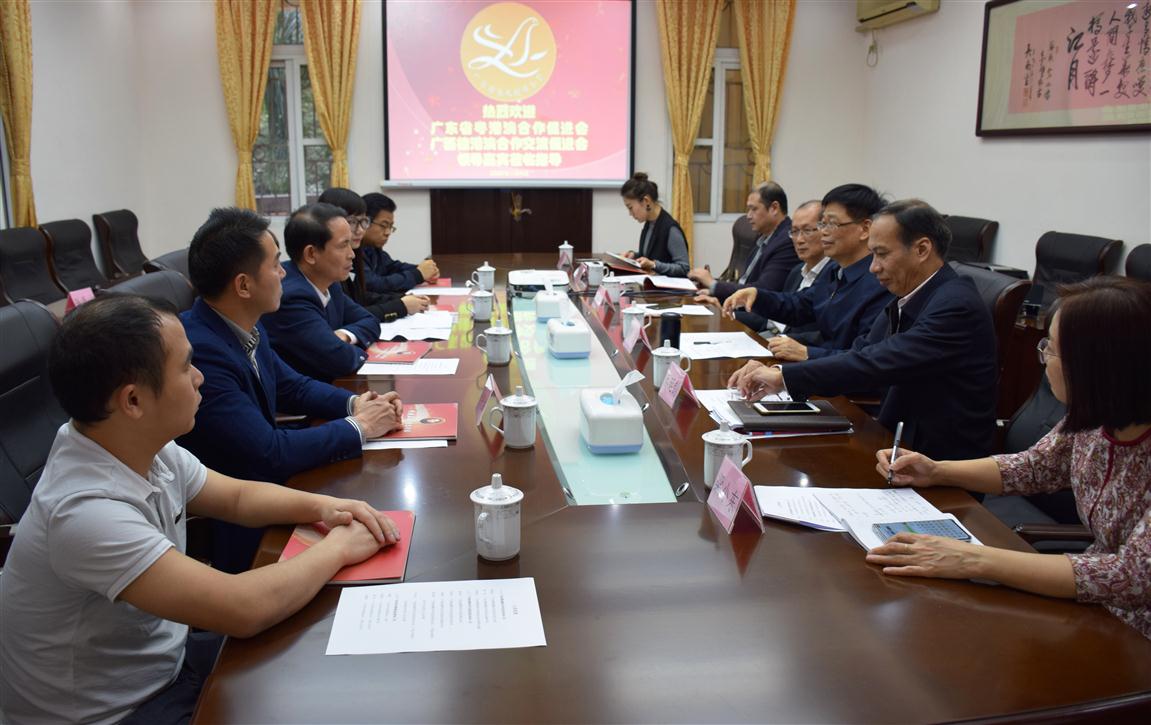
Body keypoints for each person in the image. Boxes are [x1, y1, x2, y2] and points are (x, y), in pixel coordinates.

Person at [0, 295, 403, 724]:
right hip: (118, 712)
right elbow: (242, 608)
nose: (200, 377)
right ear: (133, 401)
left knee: (322, 666)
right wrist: (340, 547)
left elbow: (237, 498)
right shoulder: (85, 513)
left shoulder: (136, 443)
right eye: (185, 366)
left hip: (166, 663)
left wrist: (327, 506)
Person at [870, 276, 1151, 640]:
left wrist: (974, 559)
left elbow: (1133, 577)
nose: (1043, 359)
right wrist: (936, 471)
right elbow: (1036, 467)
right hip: (1096, 612)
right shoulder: (1095, 419)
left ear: (1098, 366)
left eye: (1051, 348)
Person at [729, 198, 997, 462]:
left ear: (922, 249)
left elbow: (877, 362)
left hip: (936, 462)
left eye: (882, 254)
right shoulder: (911, 294)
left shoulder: (956, 305)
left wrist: (785, 376)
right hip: (895, 443)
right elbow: (863, 351)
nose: (873, 267)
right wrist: (780, 372)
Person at [179, 206, 403, 485]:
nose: (284, 273)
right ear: (244, 286)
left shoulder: (244, 322)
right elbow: (269, 453)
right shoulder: (201, 352)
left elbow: (292, 387)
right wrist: (363, 426)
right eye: (275, 265)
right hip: (241, 496)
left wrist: (356, 403)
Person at [722, 183, 892, 360]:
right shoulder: (835, 269)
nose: (823, 232)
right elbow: (801, 305)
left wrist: (807, 353)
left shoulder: (880, 282)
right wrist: (757, 296)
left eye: (832, 224)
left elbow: (866, 357)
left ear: (865, 229)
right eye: (822, 223)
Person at [263, 202, 381, 381]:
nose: (352, 254)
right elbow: (341, 360)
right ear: (311, 254)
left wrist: (345, 336)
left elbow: (370, 320)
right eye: (343, 245)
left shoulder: (329, 281)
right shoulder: (290, 297)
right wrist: (353, 348)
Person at [318, 187, 429, 322]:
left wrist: (402, 298)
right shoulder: (326, 267)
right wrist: (401, 305)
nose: (360, 230)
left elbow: (359, 298)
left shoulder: (362, 251)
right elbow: (347, 316)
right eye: (352, 222)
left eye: (363, 222)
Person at [360, 192, 440, 294]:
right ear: (365, 222)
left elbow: (392, 267)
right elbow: (375, 284)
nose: (388, 232)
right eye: (383, 225)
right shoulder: (352, 250)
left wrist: (424, 269)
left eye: (390, 227)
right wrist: (418, 274)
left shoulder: (373, 248)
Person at [618, 172, 690, 277]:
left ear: (646, 201)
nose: (630, 213)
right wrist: (633, 255)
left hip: (666, 287)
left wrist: (654, 265)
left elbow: (684, 268)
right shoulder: (649, 223)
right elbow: (649, 256)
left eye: (630, 207)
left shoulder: (671, 229)